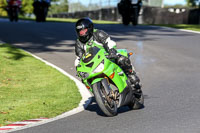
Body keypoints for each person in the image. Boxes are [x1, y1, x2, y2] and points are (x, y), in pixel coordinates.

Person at [74, 18, 141, 90]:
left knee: (122, 59)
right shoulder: (79, 43)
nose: (82, 33)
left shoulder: (98, 33)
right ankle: (99, 92)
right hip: (94, 63)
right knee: (84, 78)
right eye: (80, 31)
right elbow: (79, 58)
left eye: (84, 31)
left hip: (108, 56)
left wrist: (112, 51)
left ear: (90, 28)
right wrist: (78, 68)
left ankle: (132, 76)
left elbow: (109, 42)